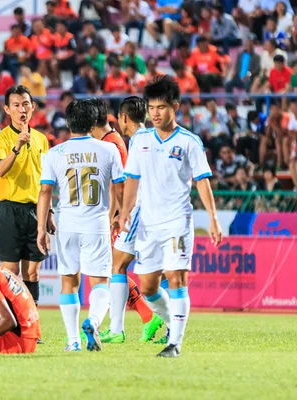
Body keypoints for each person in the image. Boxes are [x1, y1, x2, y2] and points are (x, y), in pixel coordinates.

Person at [119, 76, 222, 357]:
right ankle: (169, 322)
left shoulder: (190, 142)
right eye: (152, 107)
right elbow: (132, 179)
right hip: (148, 224)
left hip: (177, 220)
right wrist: (124, 212)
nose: (155, 113)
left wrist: (212, 217)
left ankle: (174, 342)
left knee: (176, 277)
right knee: (149, 287)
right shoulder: (140, 139)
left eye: (161, 107)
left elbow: (202, 181)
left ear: (174, 107)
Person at [36, 98, 126, 352]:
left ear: (68, 123)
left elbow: (45, 192)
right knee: (100, 282)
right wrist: (118, 215)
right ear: (94, 121)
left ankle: (73, 341)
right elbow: (119, 187)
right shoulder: (108, 150)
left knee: (69, 283)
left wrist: (41, 228)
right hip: (96, 223)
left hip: (67, 224)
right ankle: (94, 321)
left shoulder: (55, 153)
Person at [101, 96, 165, 344]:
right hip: (153, 210)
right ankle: (152, 321)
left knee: (118, 266)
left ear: (124, 118)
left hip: (140, 211)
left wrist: (122, 213)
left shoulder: (138, 142)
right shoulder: (153, 138)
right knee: (148, 270)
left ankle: (118, 329)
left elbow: (132, 182)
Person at [0, 85, 55, 322]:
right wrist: (16, 147)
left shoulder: (41, 140)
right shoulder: (0, 139)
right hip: (8, 209)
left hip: (35, 209)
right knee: (10, 272)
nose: (21, 109)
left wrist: (49, 213)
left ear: (33, 106)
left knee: (33, 272)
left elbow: (44, 179)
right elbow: (1, 171)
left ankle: (30, 323)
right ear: (7, 109)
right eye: (16, 105)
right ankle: (9, 323)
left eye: (25, 104)